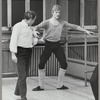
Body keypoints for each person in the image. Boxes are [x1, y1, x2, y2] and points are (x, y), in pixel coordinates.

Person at [32, 4, 92, 91]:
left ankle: (59, 85)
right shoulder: (47, 22)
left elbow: (74, 26)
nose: (58, 14)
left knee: (64, 64)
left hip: (57, 45)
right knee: (41, 64)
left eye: (59, 12)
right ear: (52, 12)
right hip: (48, 45)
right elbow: (36, 27)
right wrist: (34, 31)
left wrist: (85, 30)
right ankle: (40, 86)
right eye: (56, 12)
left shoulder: (62, 22)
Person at [9, 11, 38, 100]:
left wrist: (35, 37)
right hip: (20, 52)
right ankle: (23, 97)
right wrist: (13, 54)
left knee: (24, 75)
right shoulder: (18, 26)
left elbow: (32, 42)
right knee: (22, 75)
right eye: (33, 20)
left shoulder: (30, 28)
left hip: (28, 51)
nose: (34, 22)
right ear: (30, 19)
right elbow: (13, 39)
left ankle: (17, 92)